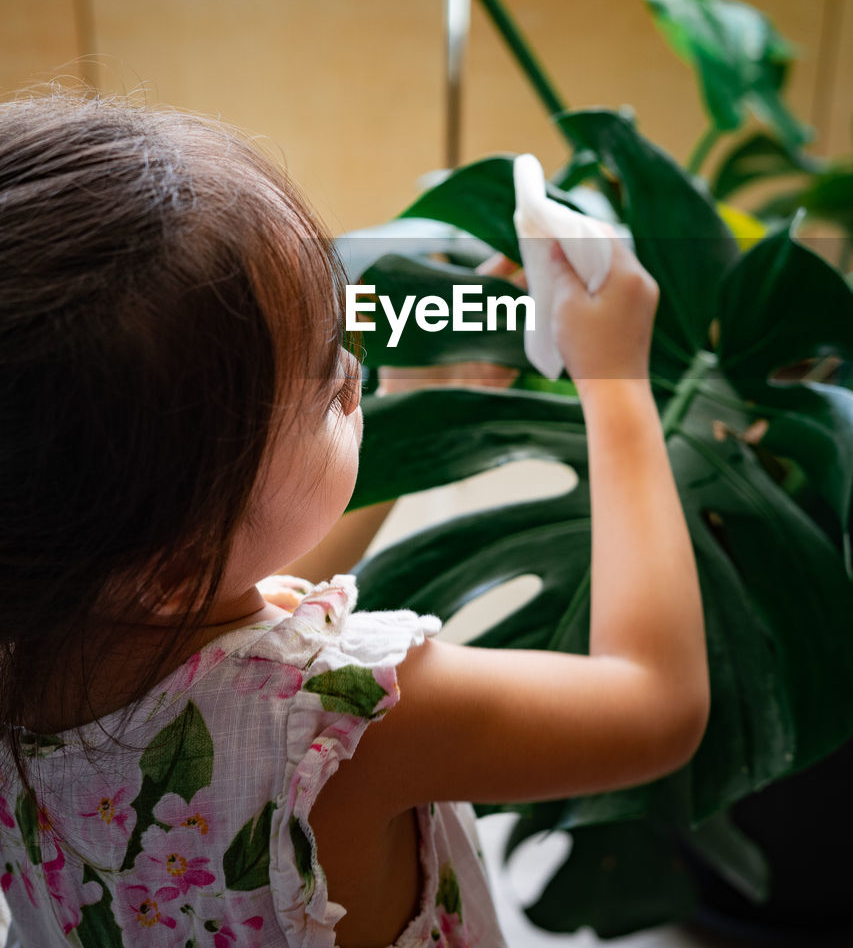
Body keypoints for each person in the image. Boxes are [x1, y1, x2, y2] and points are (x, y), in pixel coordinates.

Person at [0, 89, 710, 948]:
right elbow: (653, 706)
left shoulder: (38, 626)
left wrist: (413, 410)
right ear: (172, 569)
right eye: (332, 390)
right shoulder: (350, 719)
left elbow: (224, 610)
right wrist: (616, 381)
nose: (353, 365)